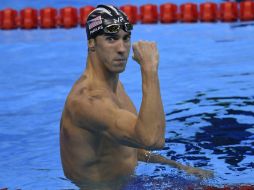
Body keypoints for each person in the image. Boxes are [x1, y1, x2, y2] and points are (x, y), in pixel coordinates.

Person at [60, 4, 213, 190]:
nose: (122, 48)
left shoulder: (114, 86)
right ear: (91, 42)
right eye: (111, 39)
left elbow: (137, 146)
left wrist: (180, 167)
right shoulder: (89, 101)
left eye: (126, 39)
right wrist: (149, 69)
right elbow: (152, 139)